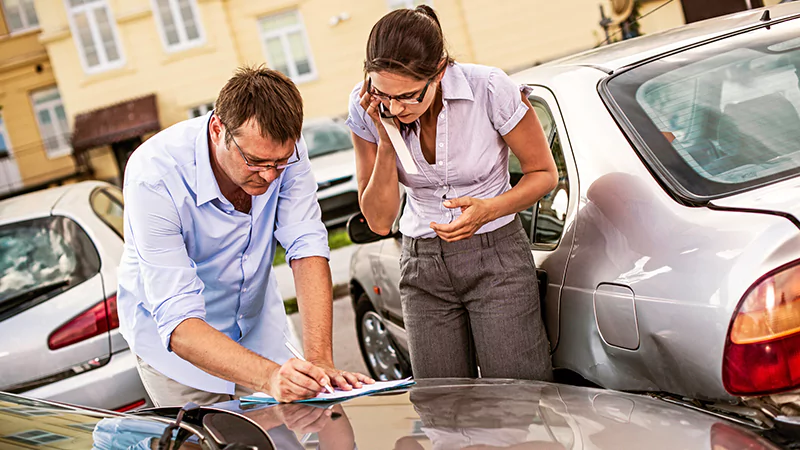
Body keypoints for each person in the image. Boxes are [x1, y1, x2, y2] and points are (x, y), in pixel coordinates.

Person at [118, 66, 372, 407]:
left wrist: (319, 361)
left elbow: (306, 245)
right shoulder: (153, 176)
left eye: (279, 164)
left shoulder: (284, 150)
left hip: (258, 328)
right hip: (181, 355)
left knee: (296, 432)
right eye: (254, 161)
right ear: (217, 128)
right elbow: (178, 321)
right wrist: (269, 377)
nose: (268, 176)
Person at [346, 6, 557, 380]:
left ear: (439, 71)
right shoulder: (368, 108)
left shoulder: (490, 88)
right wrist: (385, 139)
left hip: (496, 259)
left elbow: (543, 174)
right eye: (383, 94)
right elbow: (378, 221)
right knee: (443, 406)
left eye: (409, 95)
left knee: (519, 399)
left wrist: (490, 209)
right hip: (421, 267)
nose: (395, 107)